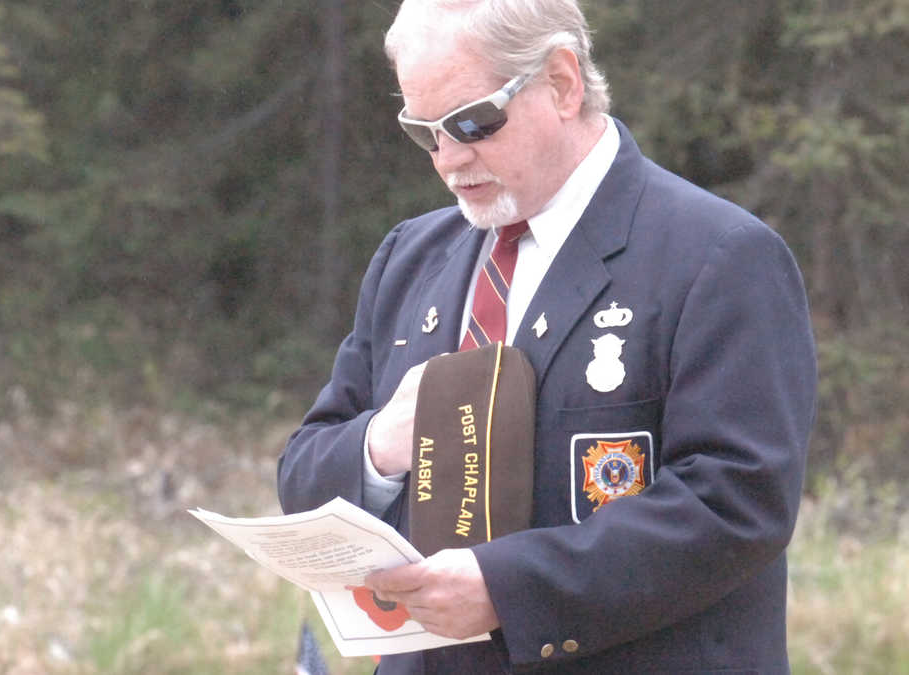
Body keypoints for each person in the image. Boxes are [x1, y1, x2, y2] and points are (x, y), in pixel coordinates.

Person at [277, 0, 817, 672]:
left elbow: (736, 504)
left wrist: (508, 588)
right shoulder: (411, 256)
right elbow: (303, 474)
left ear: (561, 82)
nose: (449, 160)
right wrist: (381, 445)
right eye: (425, 133)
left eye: (471, 122)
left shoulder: (719, 255)